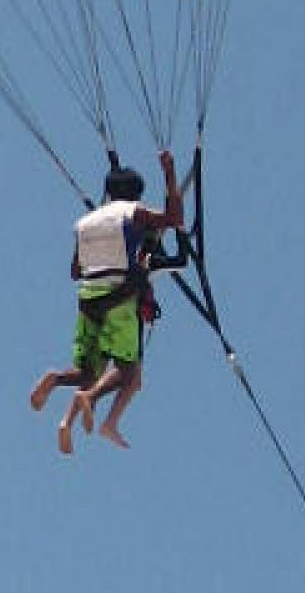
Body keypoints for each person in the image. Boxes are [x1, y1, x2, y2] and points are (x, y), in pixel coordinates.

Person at [28, 152, 187, 452]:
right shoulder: (134, 213)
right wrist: (169, 173)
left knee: (88, 370)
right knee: (129, 372)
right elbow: (174, 219)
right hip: (118, 298)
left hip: (88, 300)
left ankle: (55, 379)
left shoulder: (85, 222)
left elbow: (75, 271)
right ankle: (89, 398)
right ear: (135, 195)